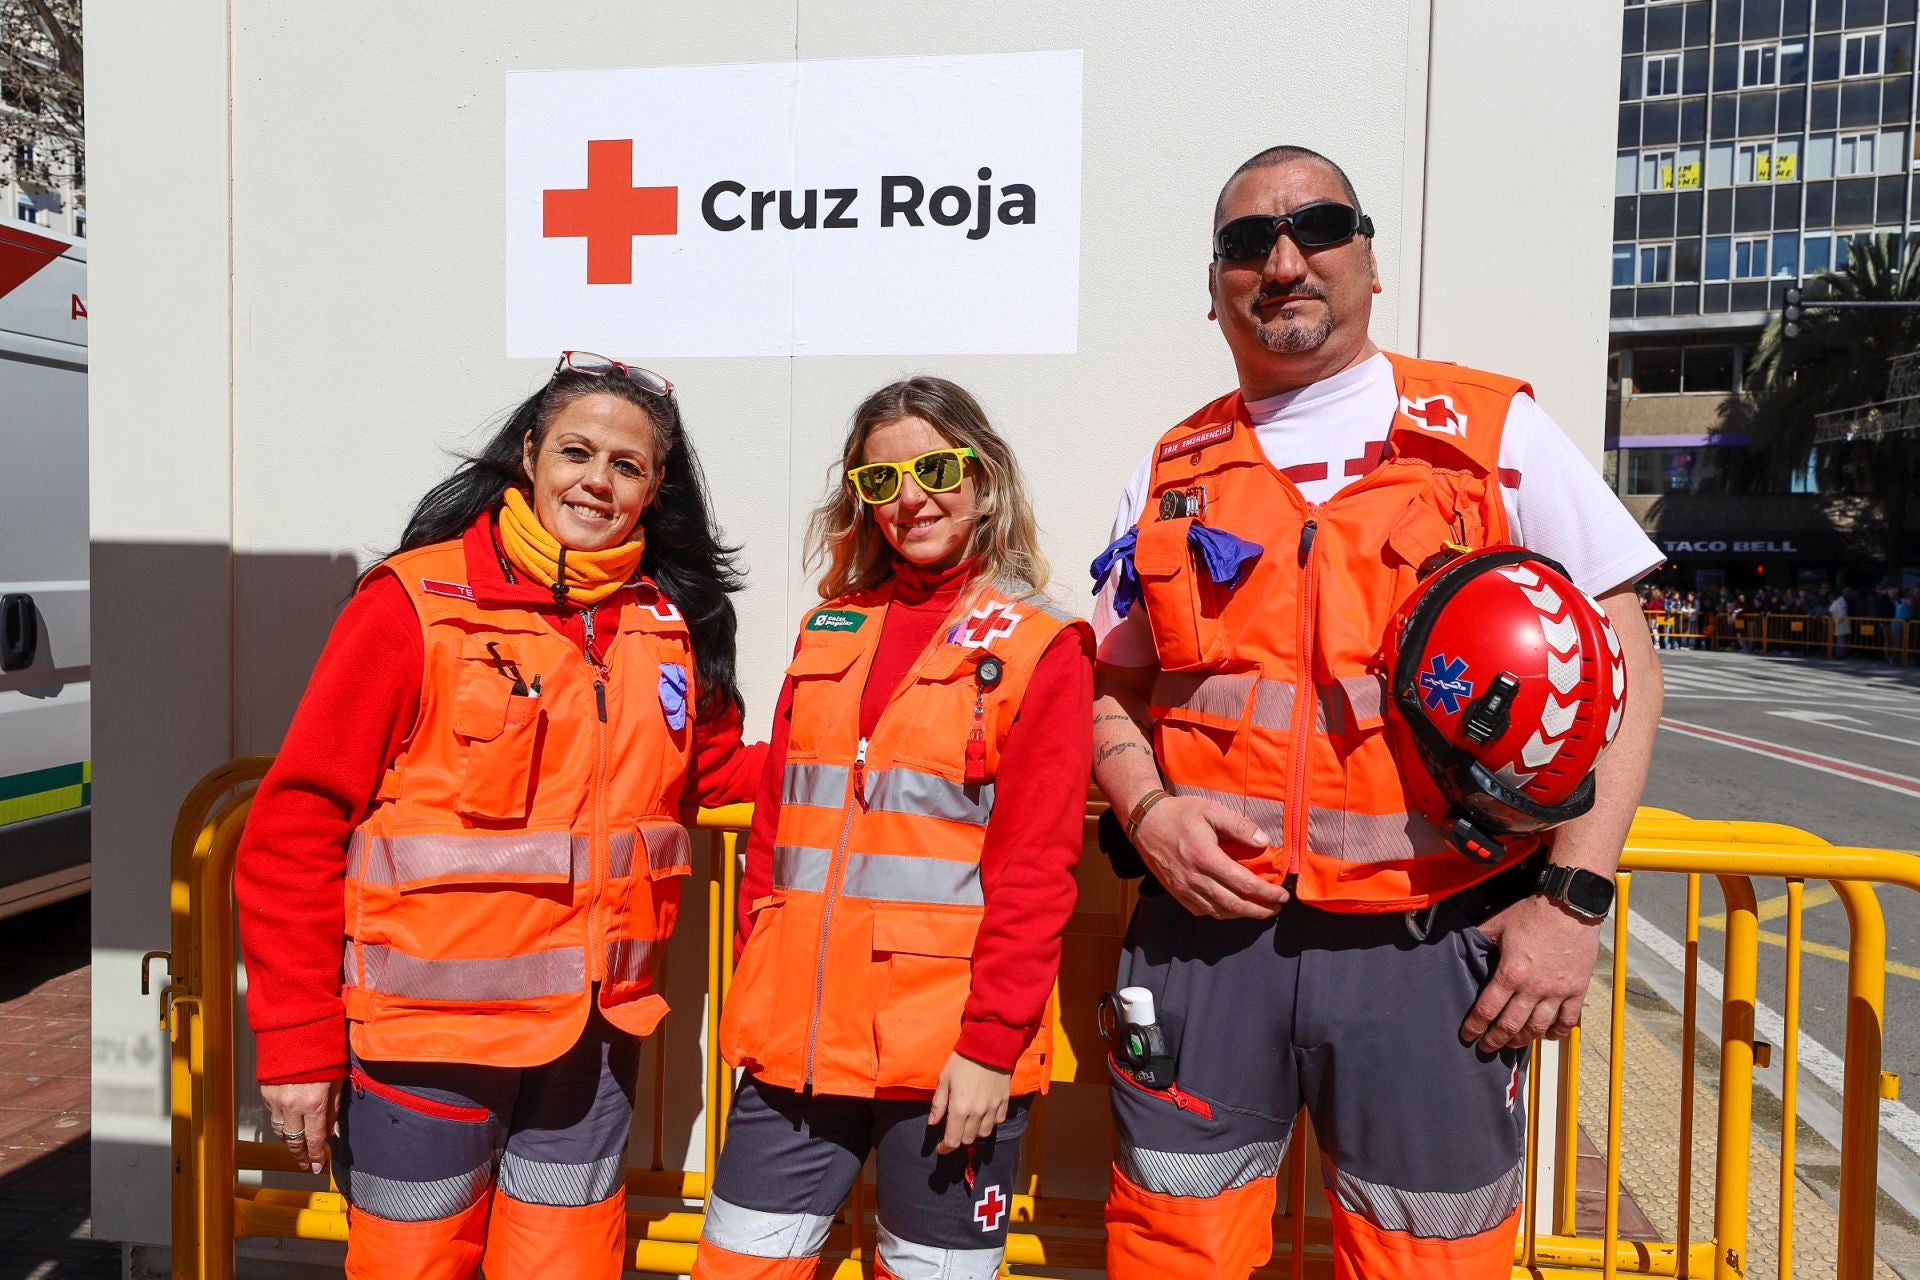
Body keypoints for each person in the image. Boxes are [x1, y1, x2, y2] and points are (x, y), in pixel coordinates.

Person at [1087, 146, 1664, 1280]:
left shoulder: (1491, 432)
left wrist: (1574, 902)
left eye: (1319, 227)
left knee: (1429, 1257)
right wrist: (1147, 810)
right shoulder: (1173, 467)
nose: (1285, 261)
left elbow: (1626, 670)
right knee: (1172, 1247)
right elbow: (1110, 680)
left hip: (1431, 943)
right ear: (1216, 288)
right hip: (1207, 944)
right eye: (1249, 243)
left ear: (1369, 262)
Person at [234, 353, 764, 1280]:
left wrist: (885, 743)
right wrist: (293, 1044)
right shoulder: (413, 605)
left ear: (656, 489)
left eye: (627, 466)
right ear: (529, 454)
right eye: (576, 451)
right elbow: (294, 827)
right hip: (427, 1048)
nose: (597, 481)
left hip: (592, 1047)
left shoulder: (670, 624)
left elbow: (718, 774)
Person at [693, 377, 1094, 1280]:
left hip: (948, 1058)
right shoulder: (829, 629)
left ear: (983, 477)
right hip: (795, 1046)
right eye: (880, 482)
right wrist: (759, 976)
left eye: (935, 469)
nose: (910, 498)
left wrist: (991, 1048)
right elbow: (776, 831)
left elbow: (1036, 870)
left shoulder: (1040, 645)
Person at [1830, 586, 1851, 658]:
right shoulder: (1838, 601)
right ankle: (1838, 653)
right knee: (1839, 639)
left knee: (1840, 640)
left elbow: (1842, 613)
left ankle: (1840, 654)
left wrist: (1836, 621)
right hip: (1837, 622)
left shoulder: (1841, 602)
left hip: (1840, 623)